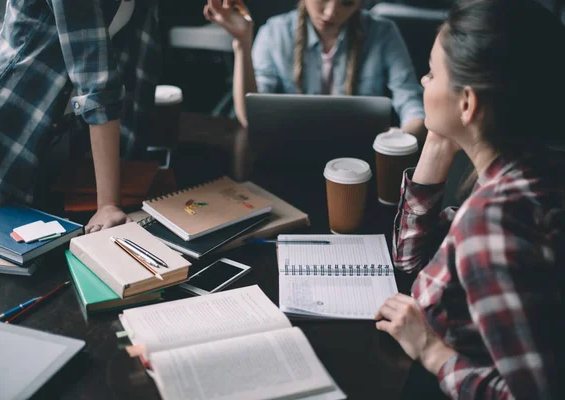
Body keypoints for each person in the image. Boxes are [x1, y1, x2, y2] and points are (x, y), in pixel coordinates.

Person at [374, 0, 564, 398]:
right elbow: (410, 258)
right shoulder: (530, 164)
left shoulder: (494, 221)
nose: (424, 84)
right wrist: (439, 144)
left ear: (468, 103)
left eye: (431, 72)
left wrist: (432, 351)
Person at [0, 0, 161, 233]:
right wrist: (108, 204)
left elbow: (135, 58)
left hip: (51, 135)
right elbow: (97, 84)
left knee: (38, 261)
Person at [204, 0, 426, 140]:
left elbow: (411, 102)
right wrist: (242, 42)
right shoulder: (274, 32)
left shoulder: (384, 33)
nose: (331, 12)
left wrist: (402, 139)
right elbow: (250, 117)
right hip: (288, 153)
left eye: (346, 3)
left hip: (360, 161)